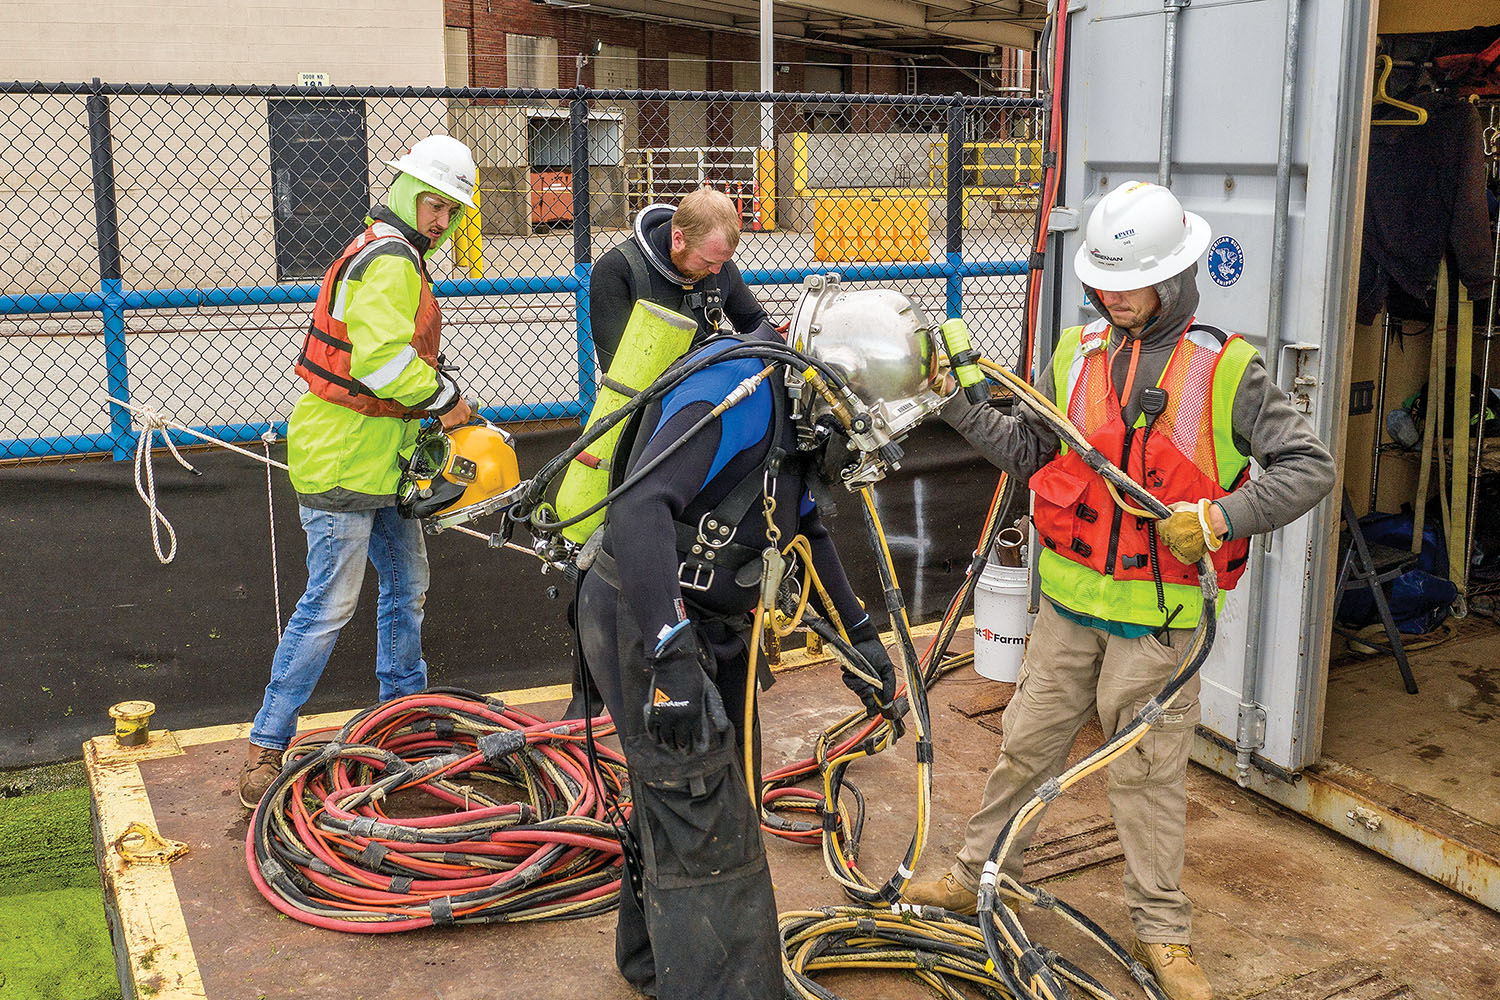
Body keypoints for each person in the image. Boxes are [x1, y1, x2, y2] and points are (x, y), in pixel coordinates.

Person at [902, 181, 1336, 1000]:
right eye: (1102, 283)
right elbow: (1034, 454)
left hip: (1158, 629)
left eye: (1128, 284)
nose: (1111, 297)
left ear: (1175, 277)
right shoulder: (1076, 355)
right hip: (1068, 614)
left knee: (1145, 782)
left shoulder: (1227, 370)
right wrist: (951, 403)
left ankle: (1163, 937)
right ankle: (974, 876)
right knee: (1025, 749)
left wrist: (1218, 518)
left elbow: (1311, 467)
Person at [575, 284, 948, 999]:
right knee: (701, 807)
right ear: (831, 380)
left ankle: (652, 961)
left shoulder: (798, 415)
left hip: (712, 622)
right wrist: (670, 656)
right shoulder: (740, 393)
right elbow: (639, 507)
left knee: (709, 794)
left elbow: (806, 529)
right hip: (643, 614)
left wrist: (862, 642)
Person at [237, 135, 479, 809]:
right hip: (345, 461)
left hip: (378, 463)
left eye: (451, 212)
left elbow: (384, 364)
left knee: (407, 587)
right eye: (435, 205)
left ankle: (403, 718)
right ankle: (267, 742)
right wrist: (448, 402)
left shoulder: (384, 248)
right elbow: (378, 365)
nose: (441, 221)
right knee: (330, 605)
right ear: (409, 192)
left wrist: (431, 404)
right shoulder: (393, 260)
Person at [588, 186, 770, 374]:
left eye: (722, 262)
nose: (716, 270)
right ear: (678, 240)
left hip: (704, 389)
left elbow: (755, 323)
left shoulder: (717, 265)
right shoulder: (616, 270)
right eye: (708, 262)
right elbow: (618, 372)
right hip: (643, 395)